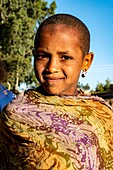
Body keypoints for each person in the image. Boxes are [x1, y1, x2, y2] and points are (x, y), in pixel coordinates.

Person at [0, 14, 113, 170]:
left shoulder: (103, 115)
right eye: (43, 56)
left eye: (65, 57)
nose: (52, 67)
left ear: (86, 62)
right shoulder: (15, 114)